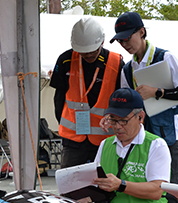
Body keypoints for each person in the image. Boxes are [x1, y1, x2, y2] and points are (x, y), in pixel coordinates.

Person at [111, 11, 178, 203]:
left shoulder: (166, 57)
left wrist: (157, 91)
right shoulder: (128, 68)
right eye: (120, 40)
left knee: (171, 196)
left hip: (170, 138)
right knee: (143, 193)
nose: (125, 44)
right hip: (143, 140)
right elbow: (126, 101)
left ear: (142, 32)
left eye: (128, 38)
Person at [51, 17, 124, 168]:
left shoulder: (116, 63)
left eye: (92, 52)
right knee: (69, 183)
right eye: (83, 53)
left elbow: (121, 101)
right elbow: (58, 98)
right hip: (73, 139)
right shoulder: (65, 60)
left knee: (104, 185)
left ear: (102, 42)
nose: (88, 56)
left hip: (105, 139)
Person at [92, 89, 169, 203]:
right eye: (113, 120)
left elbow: (157, 190)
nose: (117, 127)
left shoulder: (156, 145)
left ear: (140, 117)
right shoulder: (105, 144)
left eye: (123, 121)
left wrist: (121, 185)